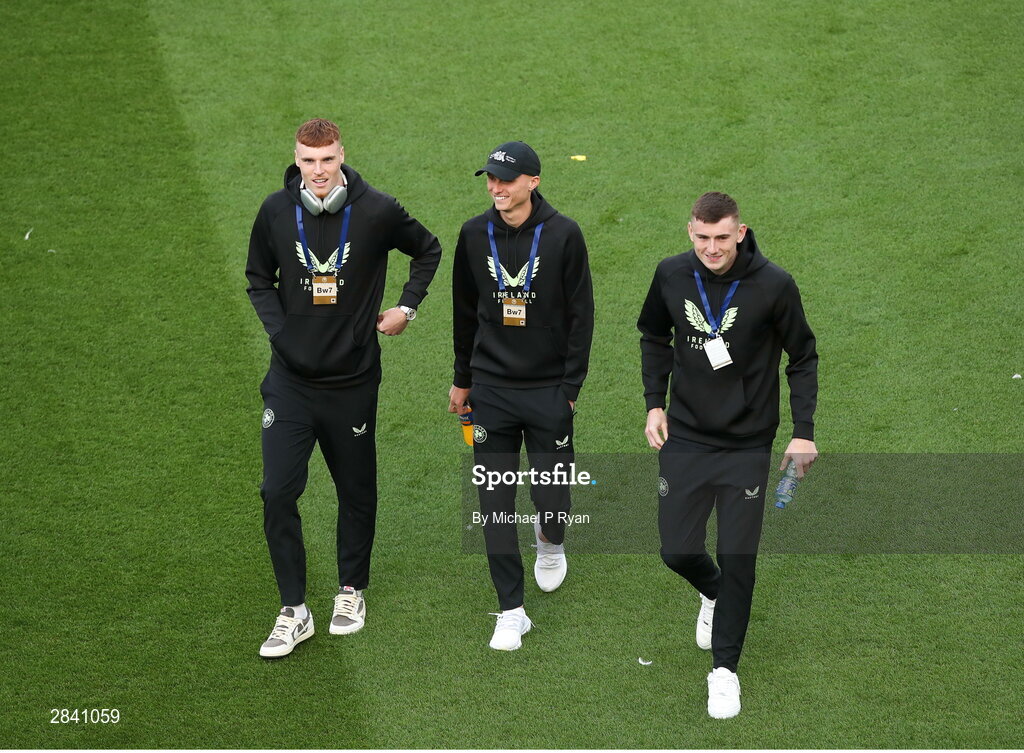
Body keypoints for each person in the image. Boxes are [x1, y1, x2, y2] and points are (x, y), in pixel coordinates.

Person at [246, 118, 441, 658]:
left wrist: (407, 307)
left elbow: (427, 248)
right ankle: (294, 609)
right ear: (296, 161)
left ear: (341, 156)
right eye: (308, 162)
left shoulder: (376, 210)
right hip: (289, 383)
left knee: (356, 490)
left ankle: (351, 589)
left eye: (327, 160)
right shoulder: (274, 211)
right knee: (276, 491)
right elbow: (258, 279)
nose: (318, 172)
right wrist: (282, 335)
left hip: (352, 382)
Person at [637, 192, 818, 718]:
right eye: (701, 237)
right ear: (689, 232)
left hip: (746, 444)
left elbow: (802, 356)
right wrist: (654, 405)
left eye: (722, 237)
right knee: (676, 550)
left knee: (740, 557)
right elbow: (653, 334)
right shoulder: (671, 275)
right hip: (687, 437)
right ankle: (715, 594)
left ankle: (724, 671)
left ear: (741, 232)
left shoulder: (774, 284)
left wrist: (803, 431)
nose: (711, 248)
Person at [448, 141, 594, 651]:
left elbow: (581, 316)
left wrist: (570, 390)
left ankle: (550, 543)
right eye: (489, 179)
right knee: (494, 500)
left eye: (505, 180)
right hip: (491, 388)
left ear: (533, 181)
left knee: (551, 494)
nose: (495, 188)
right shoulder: (472, 233)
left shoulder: (563, 235)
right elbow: (465, 314)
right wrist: (462, 378)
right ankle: (511, 608)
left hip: (549, 389)